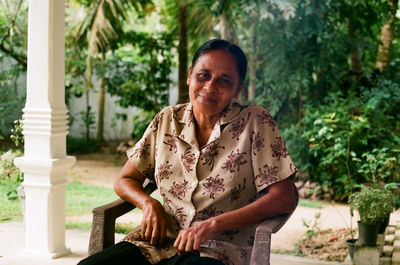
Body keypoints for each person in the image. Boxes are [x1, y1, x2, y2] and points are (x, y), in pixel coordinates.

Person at [78, 39, 298, 265]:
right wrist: (149, 204)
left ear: (238, 89)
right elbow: (125, 180)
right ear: (190, 75)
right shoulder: (167, 119)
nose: (210, 87)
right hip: (157, 244)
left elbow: (283, 198)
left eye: (224, 81)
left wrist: (212, 225)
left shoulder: (255, 123)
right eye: (204, 75)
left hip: (220, 250)